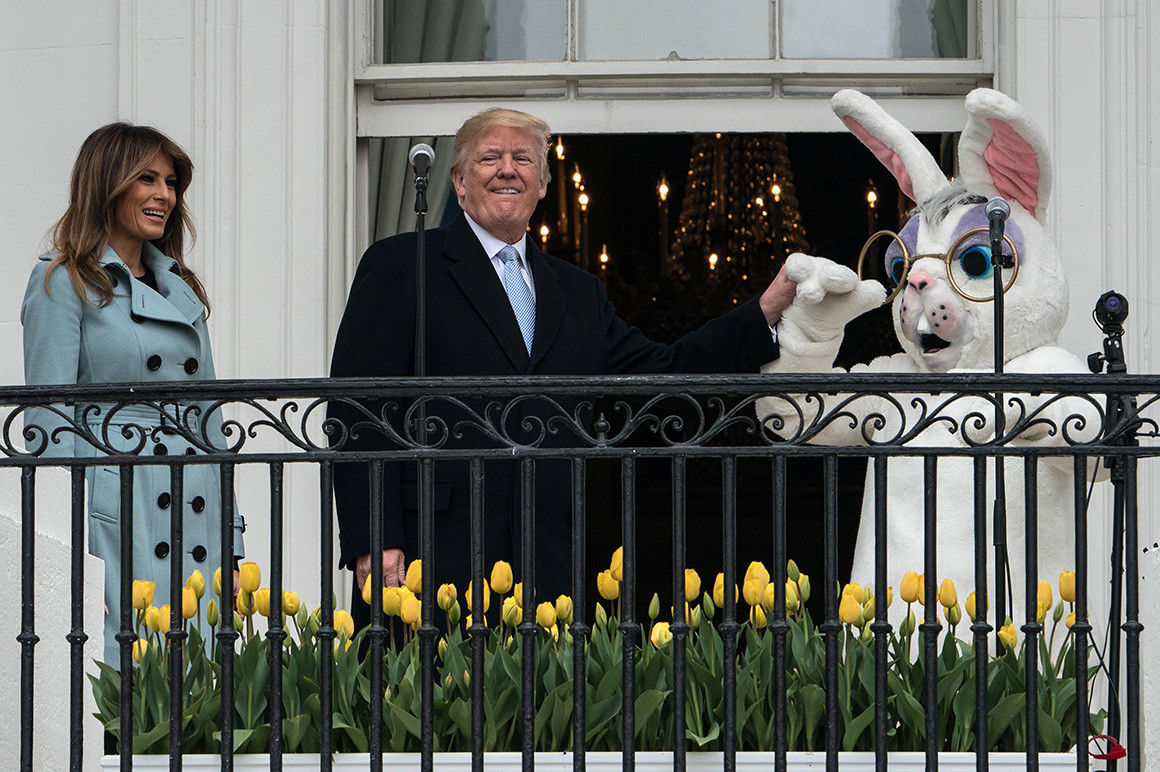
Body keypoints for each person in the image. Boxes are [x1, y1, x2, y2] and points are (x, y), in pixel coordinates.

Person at [330, 108, 794, 623]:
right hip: (427, 556)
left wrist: (763, 312)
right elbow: (355, 407)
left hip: (545, 559)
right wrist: (375, 536)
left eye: (523, 159)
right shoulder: (401, 264)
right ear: (458, 181)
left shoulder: (575, 291)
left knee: (537, 703)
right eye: (490, 157)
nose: (508, 169)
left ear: (543, 183)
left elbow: (665, 373)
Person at [21, 123, 245, 663]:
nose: (164, 194)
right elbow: (50, 421)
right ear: (108, 183)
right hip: (118, 501)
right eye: (146, 178)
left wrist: (233, 547)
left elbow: (210, 420)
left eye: (170, 182)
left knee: (200, 682)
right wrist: (63, 552)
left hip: (195, 498)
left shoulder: (179, 286)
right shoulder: (63, 279)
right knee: (123, 678)